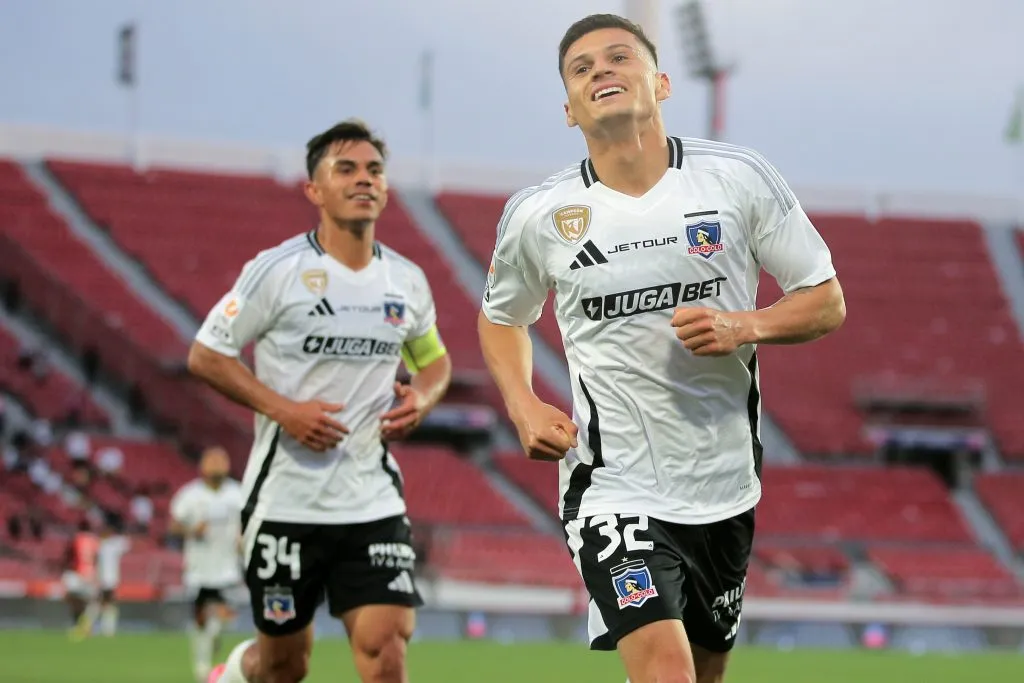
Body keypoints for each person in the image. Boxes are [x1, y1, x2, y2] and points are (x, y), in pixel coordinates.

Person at [477, 14, 845, 683]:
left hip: (725, 486)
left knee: (704, 674)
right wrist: (522, 402)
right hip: (611, 486)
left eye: (619, 57)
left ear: (662, 83)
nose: (601, 70)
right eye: (582, 68)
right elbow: (502, 318)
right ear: (569, 110)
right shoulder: (539, 214)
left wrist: (744, 325)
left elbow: (825, 299)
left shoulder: (736, 178)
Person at [189, 119, 452, 683]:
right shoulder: (277, 271)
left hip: (371, 501)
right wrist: (284, 410)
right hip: (286, 502)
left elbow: (434, 360)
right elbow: (207, 354)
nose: (364, 179)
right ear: (314, 189)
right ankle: (231, 674)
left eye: (374, 170)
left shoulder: (405, 281)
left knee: (387, 655)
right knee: (284, 667)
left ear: (386, 187)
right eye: (346, 169)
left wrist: (424, 396)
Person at [170, 447, 245, 682]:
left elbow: (250, 522)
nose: (217, 464)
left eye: (221, 460)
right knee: (200, 619)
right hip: (198, 569)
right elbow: (173, 526)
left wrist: (243, 538)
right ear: (202, 466)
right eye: (212, 460)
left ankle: (213, 640)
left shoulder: (238, 494)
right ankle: (202, 666)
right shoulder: (189, 495)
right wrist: (192, 530)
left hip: (228, 568)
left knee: (224, 619)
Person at [94, 513, 130, 637]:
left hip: (110, 578)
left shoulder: (115, 543)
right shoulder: (101, 544)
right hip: (104, 578)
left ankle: (103, 628)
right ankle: (104, 628)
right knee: (105, 603)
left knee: (103, 603)